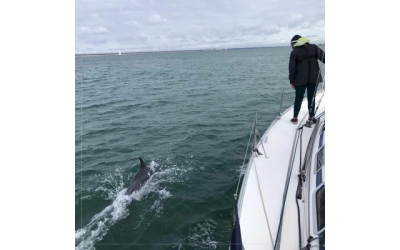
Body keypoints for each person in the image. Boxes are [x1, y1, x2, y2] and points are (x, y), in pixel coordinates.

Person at [289, 35, 325, 123]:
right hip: (314, 78)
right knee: (311, 98)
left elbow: (292, 68)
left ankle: (295, 117)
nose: (292, 47)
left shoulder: (294, 52)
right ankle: (311, 117)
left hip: (300, 79)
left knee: (298, 98)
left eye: (292, 45)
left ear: (295, 43)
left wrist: (292, 81)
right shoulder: (314, 47)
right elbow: (324, 57)